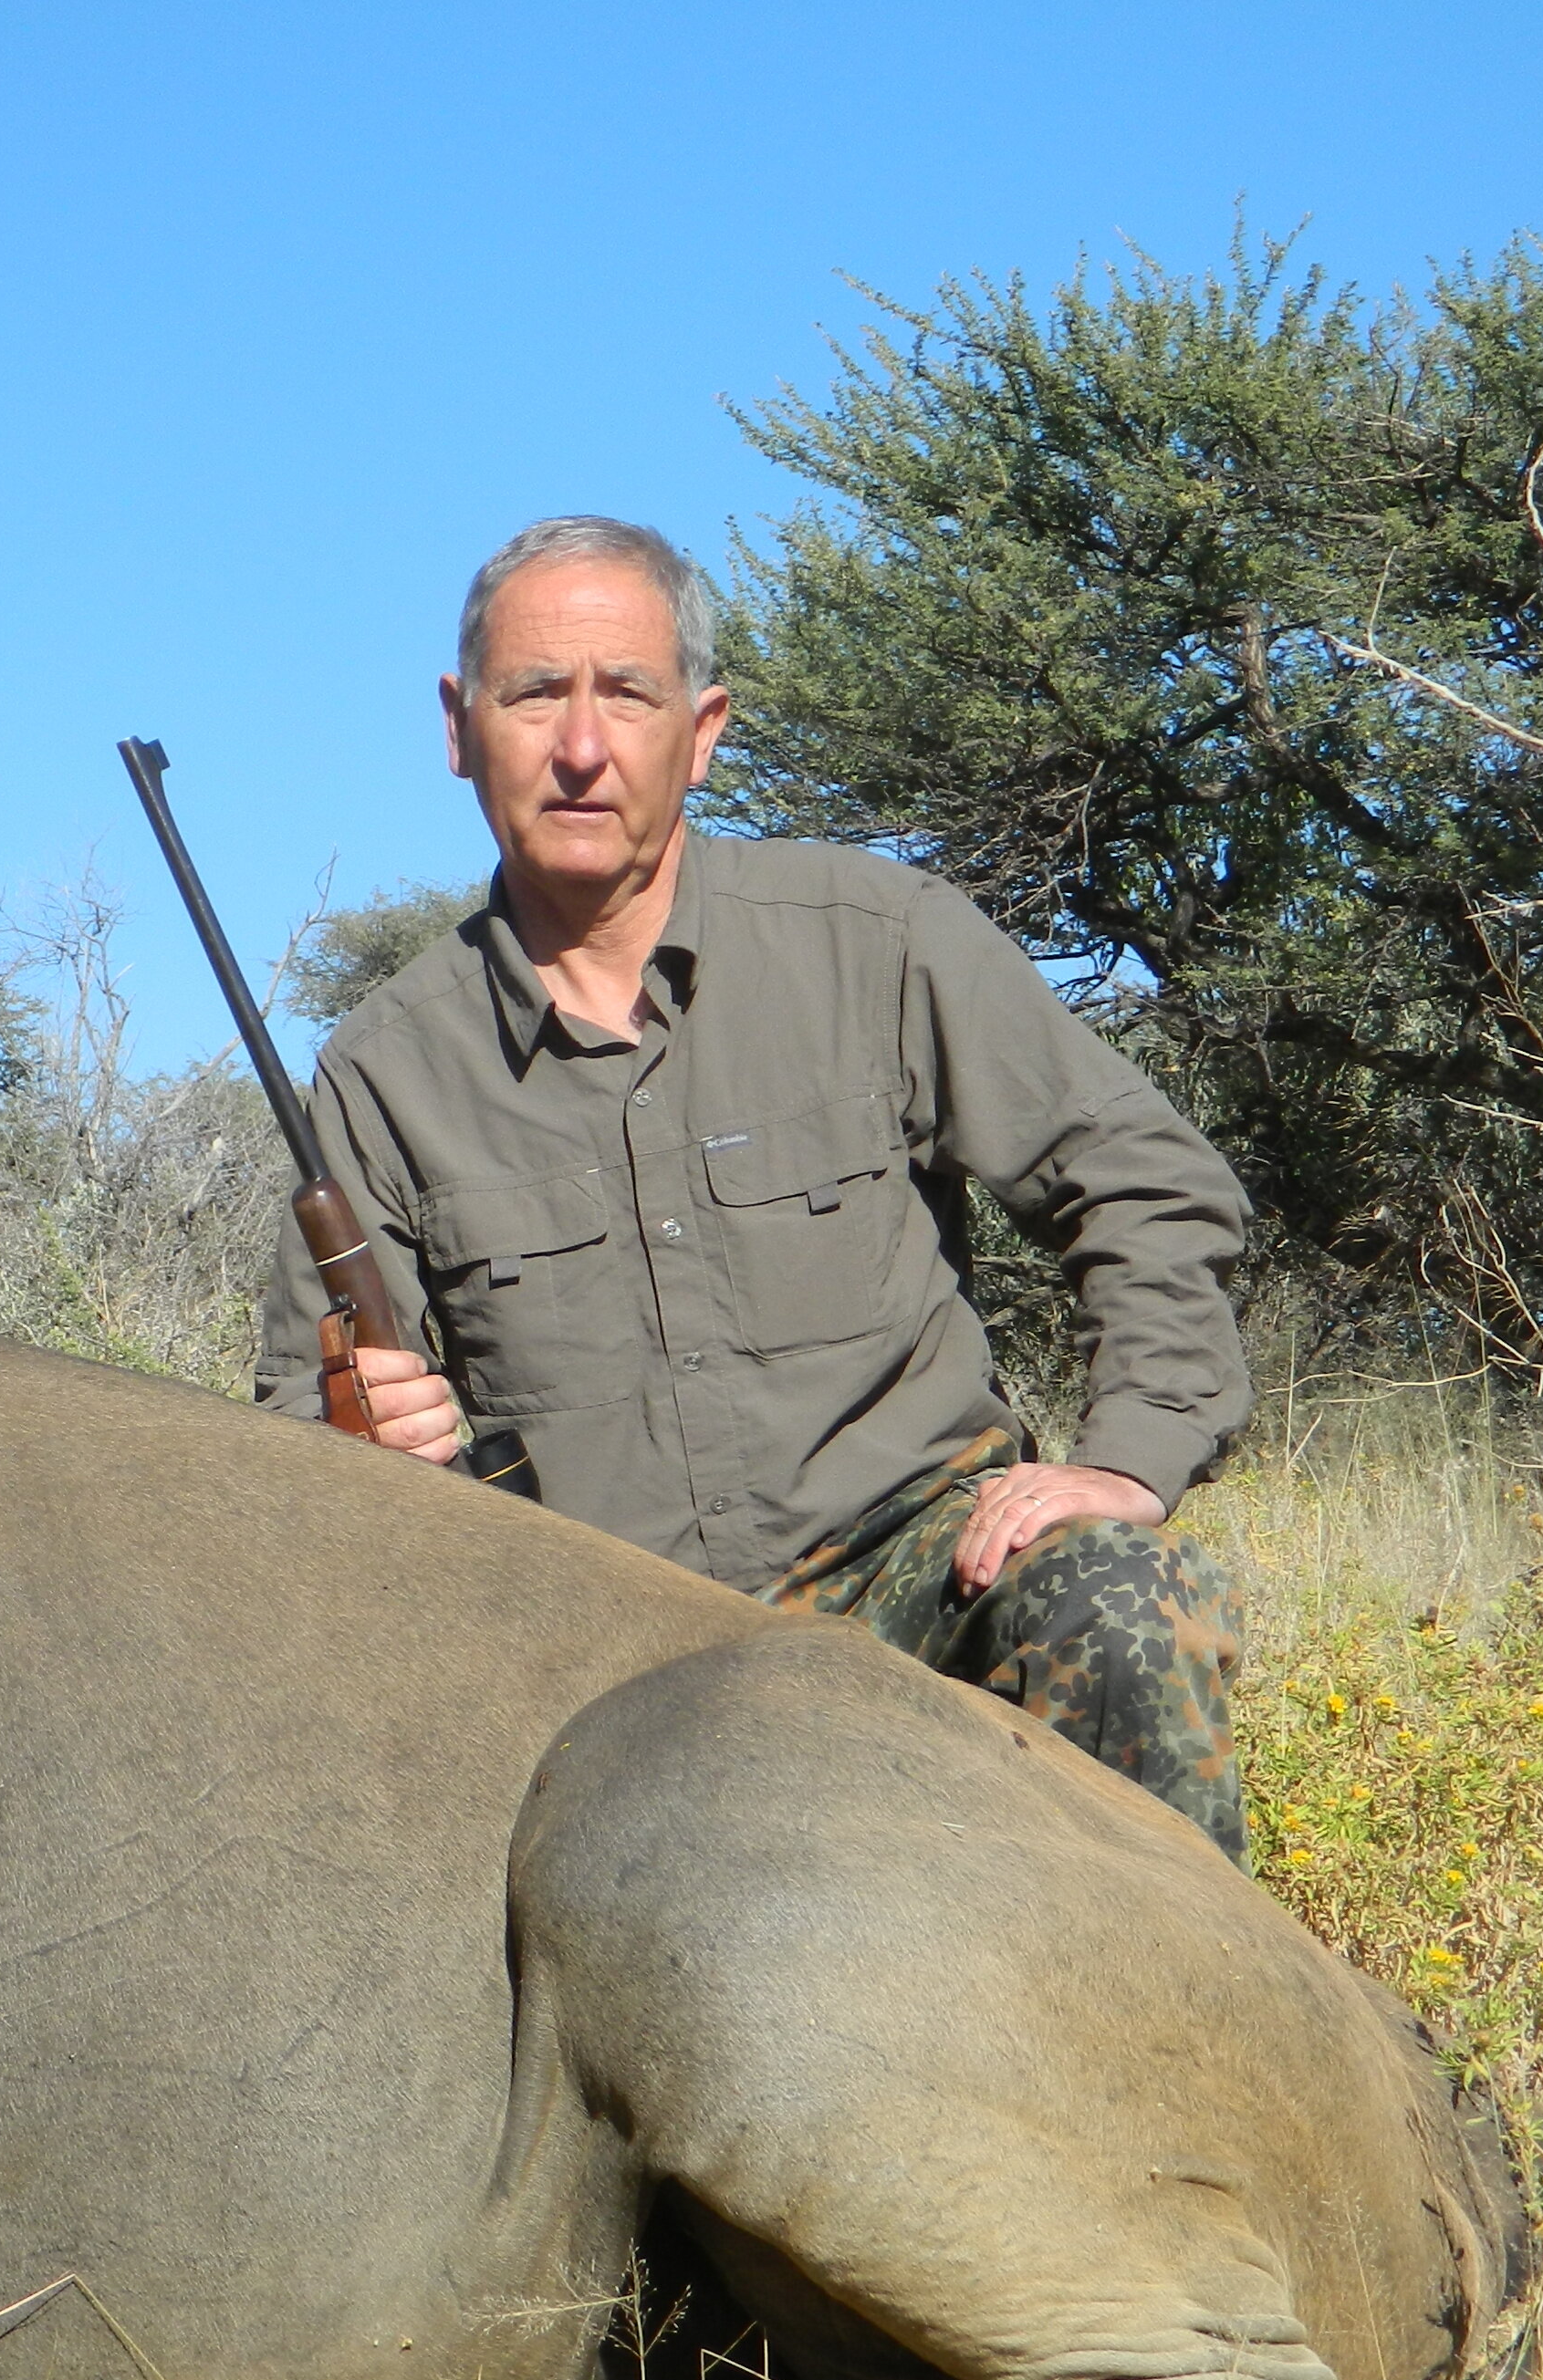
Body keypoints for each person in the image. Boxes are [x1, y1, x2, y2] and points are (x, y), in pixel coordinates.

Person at [254, 516, 1256, 1858]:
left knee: (1121, 1600)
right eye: (535, 691)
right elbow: (300, 1428)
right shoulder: (381, 1072)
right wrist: (359, 1446)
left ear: (705, 727)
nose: (582, 746)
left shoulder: (877, 941)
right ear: (458, 724)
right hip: (596, 1663)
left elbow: (1145, 1184)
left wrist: (1127, 1460)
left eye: (629, 693)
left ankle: (1195, 2050)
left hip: (921, 1577)